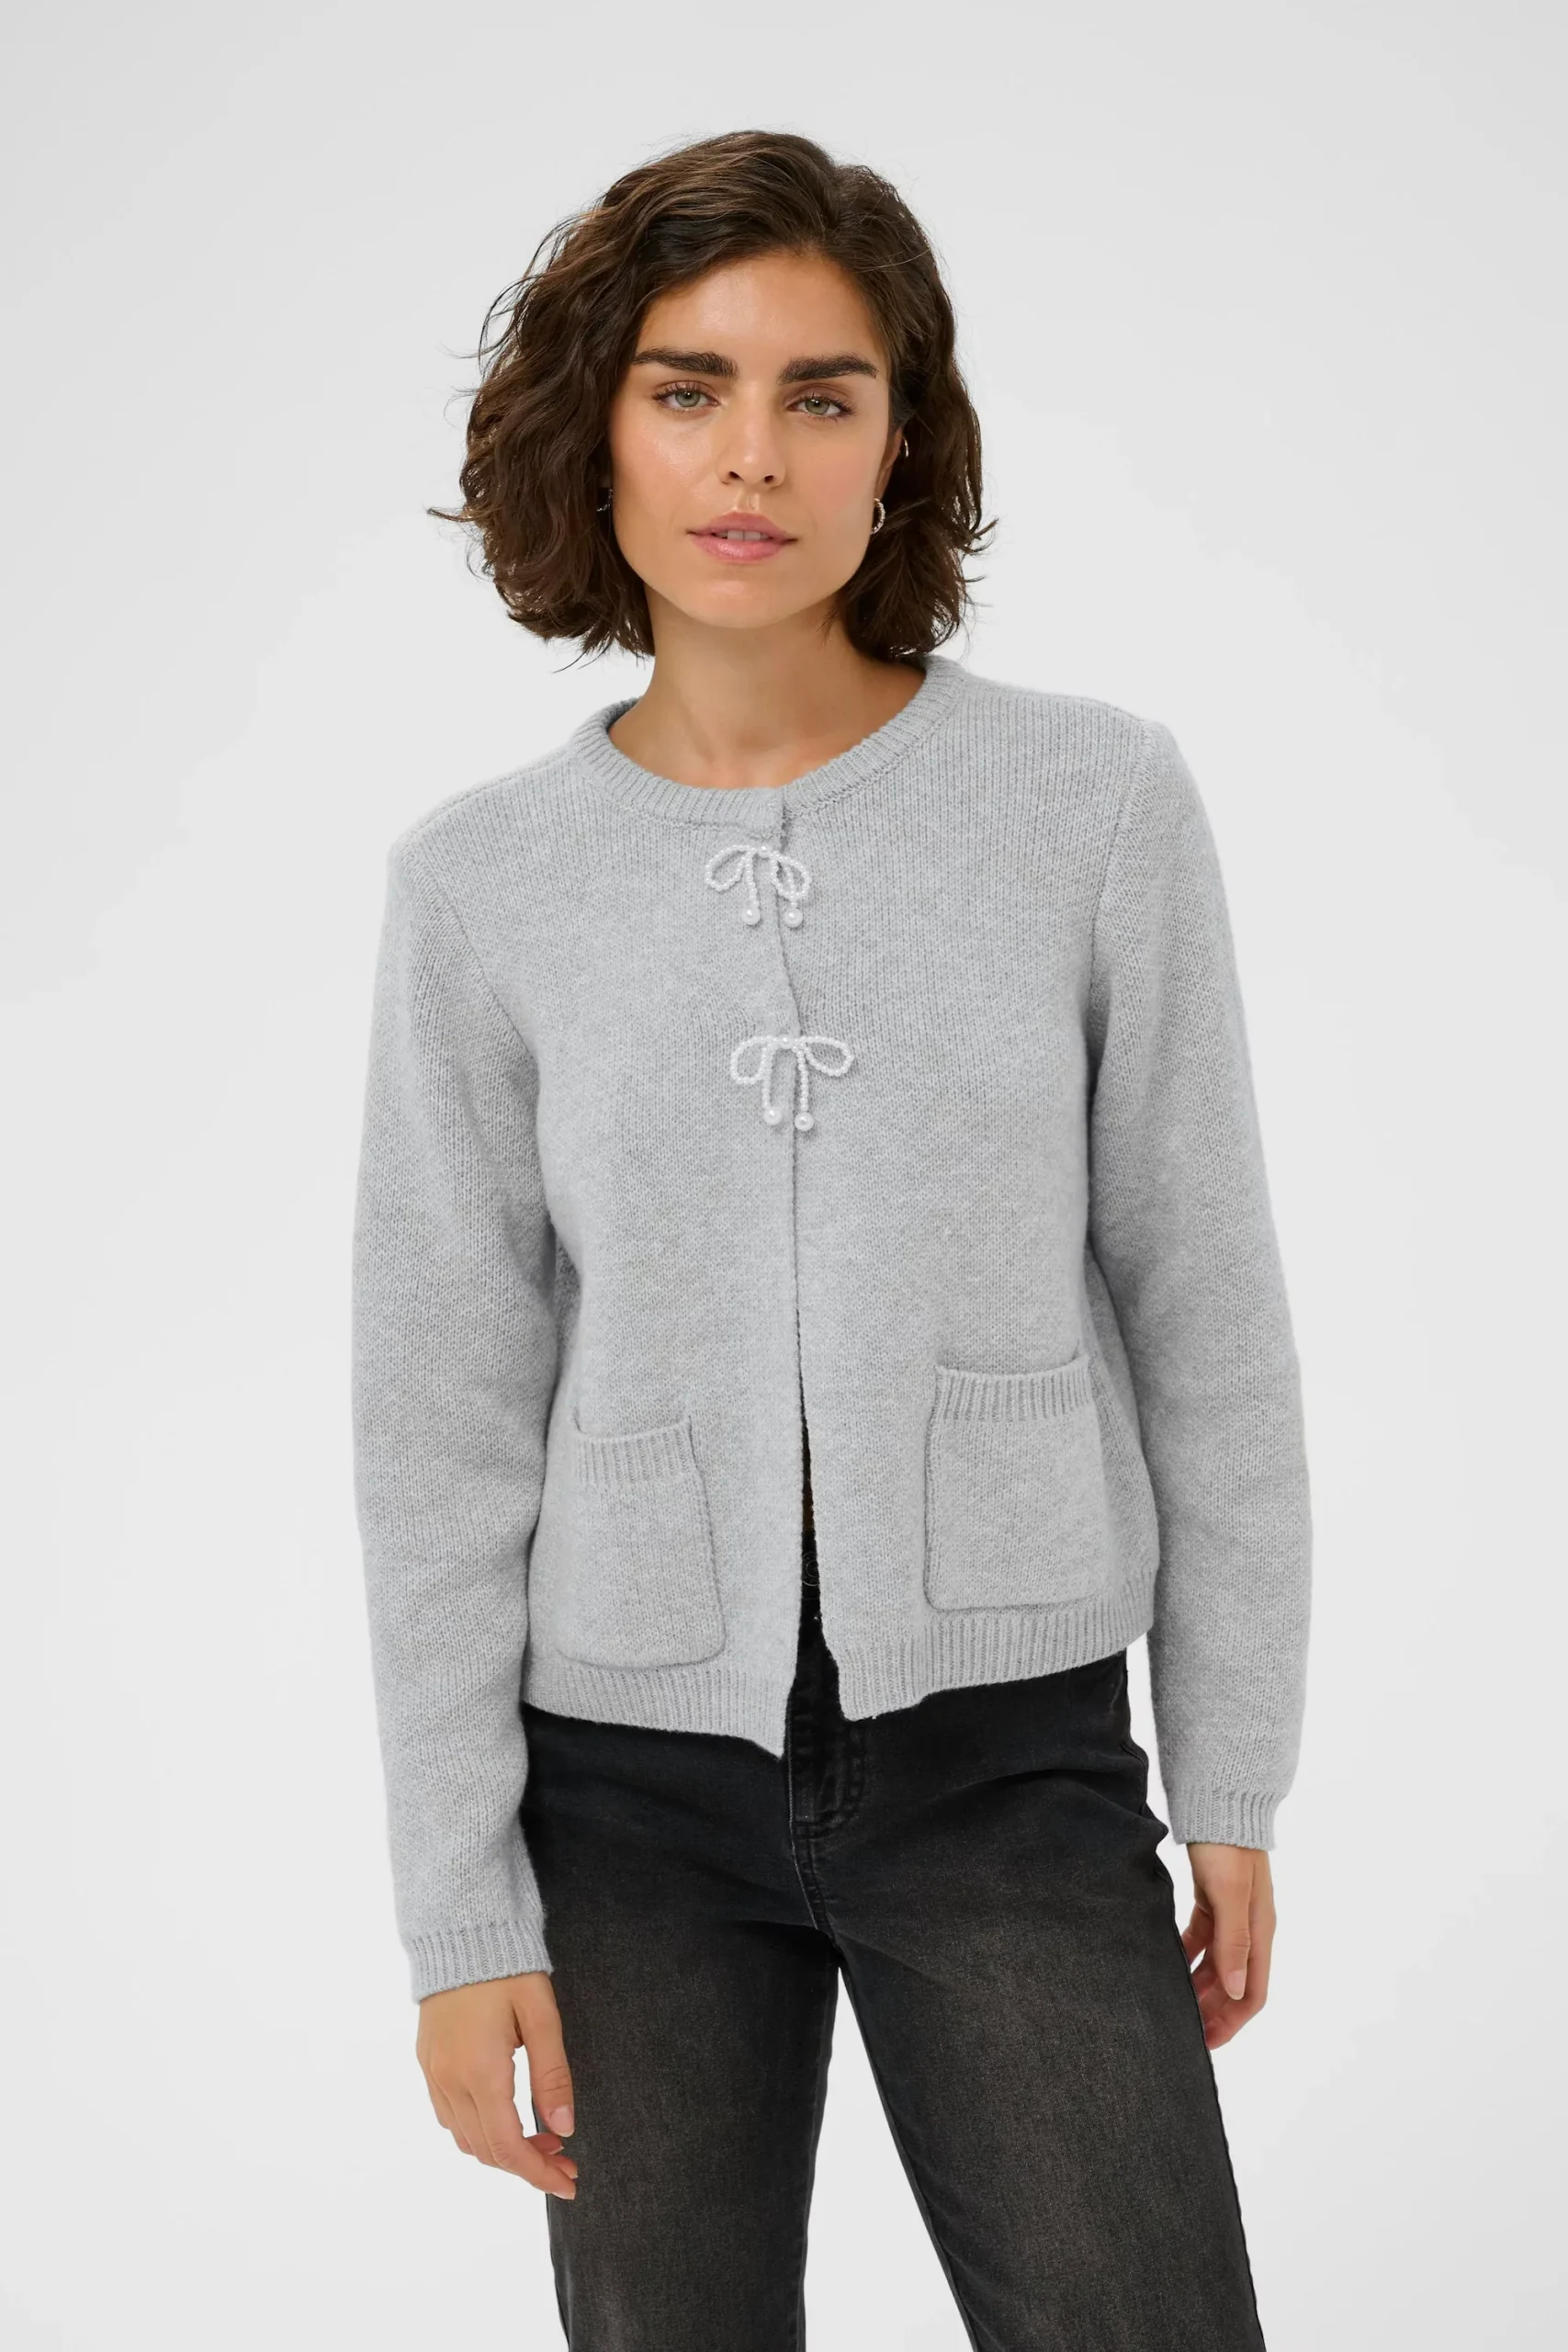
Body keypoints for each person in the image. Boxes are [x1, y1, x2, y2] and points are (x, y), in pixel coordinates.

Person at [350, 128, 1312, 2351]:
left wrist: (1232, 1760)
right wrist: (460, 1912)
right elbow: (438, 1422)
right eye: (686, 388)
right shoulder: (478, 887)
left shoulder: (1093, 803)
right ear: (595, 428)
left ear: (903, 438)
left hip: (1012, 1760)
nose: (750, 456)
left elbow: (1208, 1306)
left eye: (822, 392)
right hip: (619, 1796)